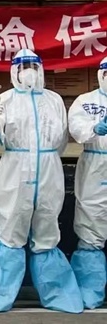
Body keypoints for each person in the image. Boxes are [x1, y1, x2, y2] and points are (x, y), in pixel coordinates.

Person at [0, 48, 82, 314]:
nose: (29, 72)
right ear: (14, 71)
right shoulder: (4, 100)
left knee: (47, 228)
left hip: (48, 167)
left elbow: (61, 140)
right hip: (15, 168)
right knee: (11, 228)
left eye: (34, 67)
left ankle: (58, 294)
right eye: (23, 67)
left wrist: (48, 159)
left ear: (41, 70)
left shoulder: (54, 100)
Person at [68, 57, 107, 309]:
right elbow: (75, 128)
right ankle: (90, 290)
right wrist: (94, 128)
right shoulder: (86, 101)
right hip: (95, 164)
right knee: (91, 223)